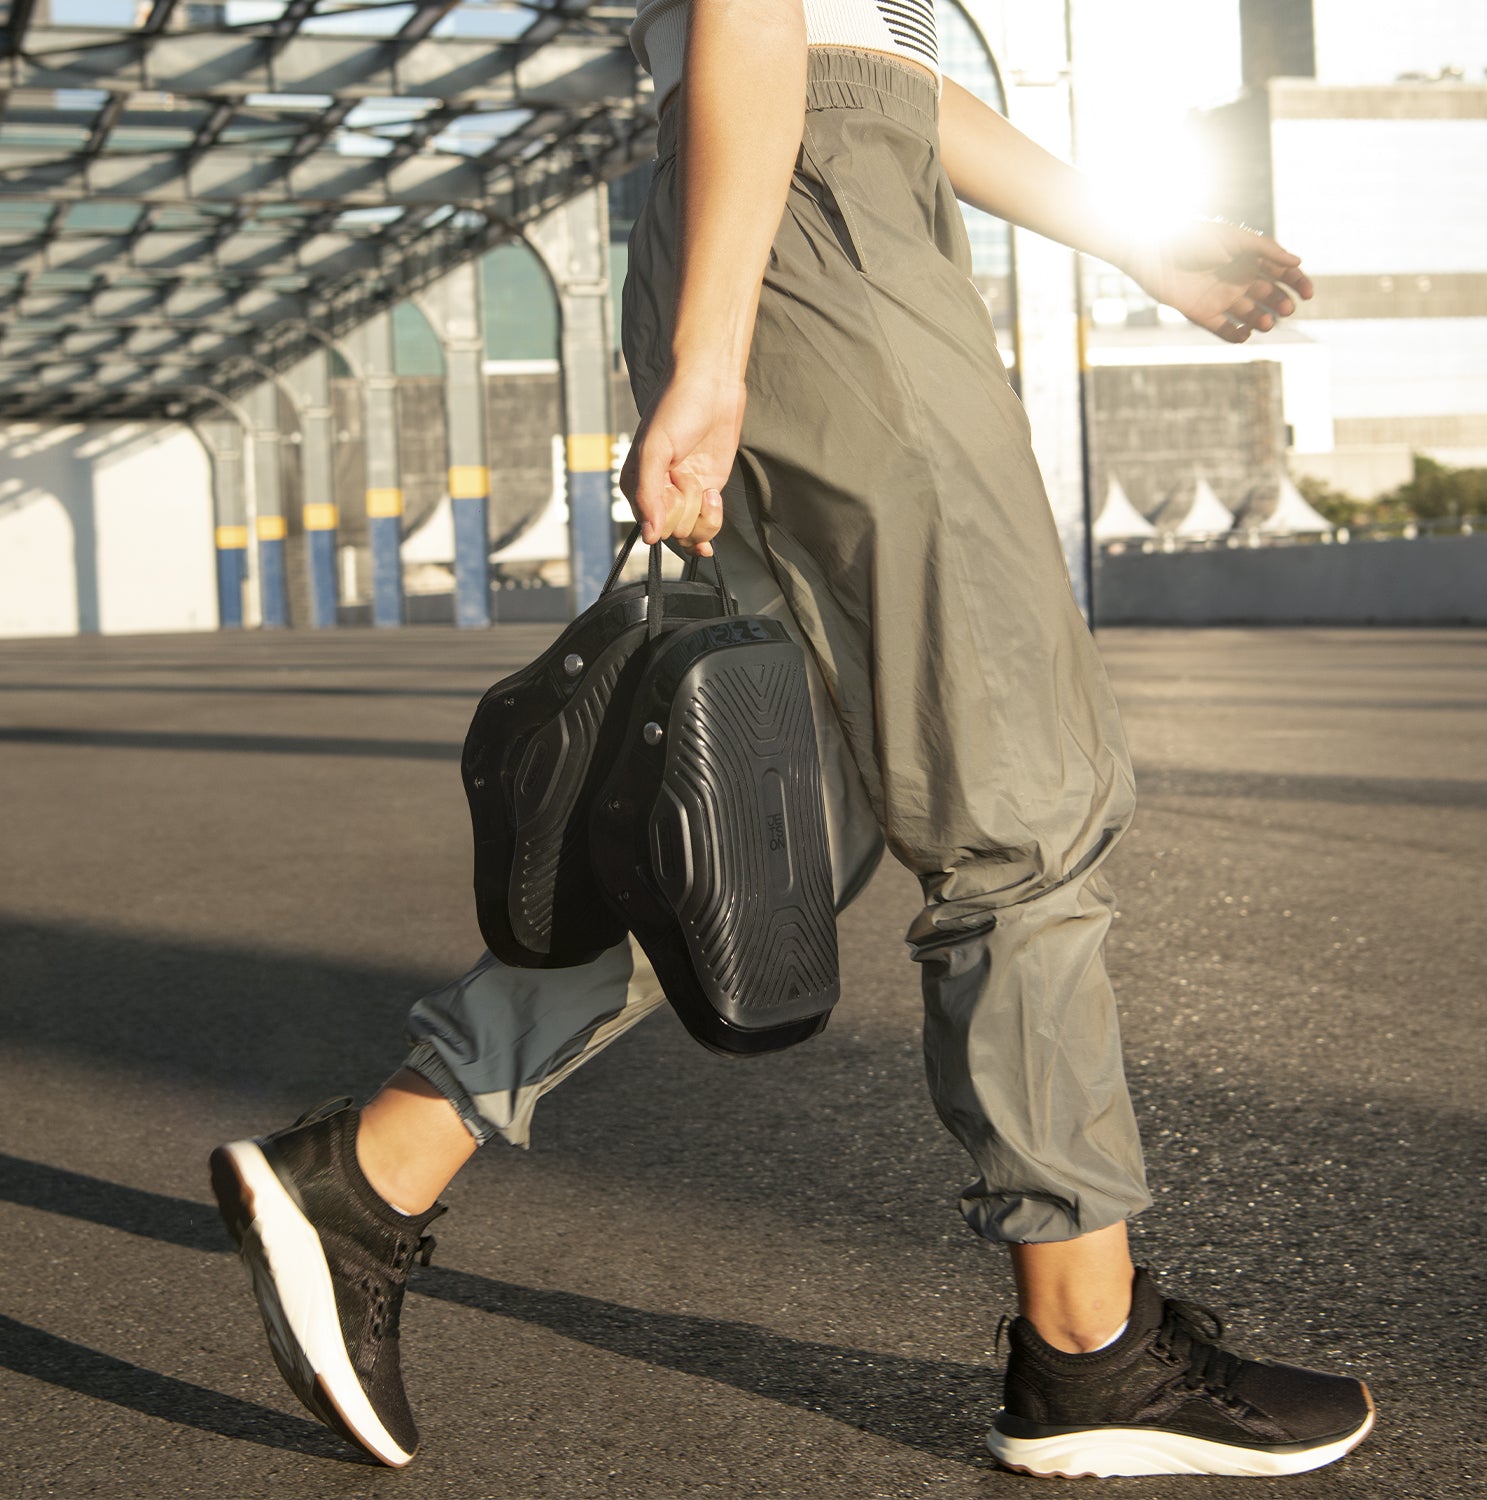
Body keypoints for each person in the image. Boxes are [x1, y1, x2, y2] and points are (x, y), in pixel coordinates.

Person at [209, 0, 1374, 1479]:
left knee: (757, 817)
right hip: (812, 208)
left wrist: (1126, 235)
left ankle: (371, 1174)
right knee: (1023, 802)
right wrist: (717, 352)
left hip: (776, 183)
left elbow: (879, 55)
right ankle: (1089, 1347)